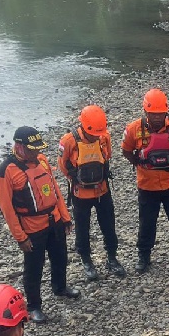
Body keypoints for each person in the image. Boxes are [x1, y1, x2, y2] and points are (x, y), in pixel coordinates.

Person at [0, 126, 79, 324]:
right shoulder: (5, 171)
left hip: (54, 220)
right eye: (32, 149)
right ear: (19, 147)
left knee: (60, 257)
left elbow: (55, 190)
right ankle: (33, 306)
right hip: (32, 227)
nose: (36, 153)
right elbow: (6, 209)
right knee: (34, 268)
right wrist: (20, 237)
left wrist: (65, 217)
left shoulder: (42, 160)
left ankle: (60, 287)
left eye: (38, 148)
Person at [121, 88, 169, 273]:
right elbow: (126, 150)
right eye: (153, 114)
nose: (157, 118)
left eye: (160, 114)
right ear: (145, 112)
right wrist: (138, 162)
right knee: (147, 223)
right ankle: (143, 256)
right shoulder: (133, 129)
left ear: (166, 112)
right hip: (147, 186)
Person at [57, 105, 126, 281]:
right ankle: (86, 260)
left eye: (98, 133)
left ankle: (112, 257)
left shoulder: (104, 137)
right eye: (93, 133)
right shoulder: (68, 141)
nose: (96, 136)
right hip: (81, 195)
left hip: (102, 191)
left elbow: (107, 156)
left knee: (109, 226)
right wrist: (78, 180)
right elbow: (63, 166)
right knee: (82, 229)